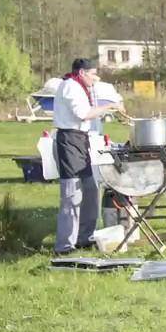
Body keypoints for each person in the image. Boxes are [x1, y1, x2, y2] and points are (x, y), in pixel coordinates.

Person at [52, 58, 126, 254]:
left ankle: (85, 238)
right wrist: (110, 108)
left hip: (81, 140)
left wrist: (113, 103)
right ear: (82, 73)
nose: (96, 77)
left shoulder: (80, 85)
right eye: (93, 73)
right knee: (72, 195)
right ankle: (64, 246)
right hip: (69, 141)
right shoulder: (69, 87)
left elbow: (96, 101)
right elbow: (83, 114)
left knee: (91, 189)